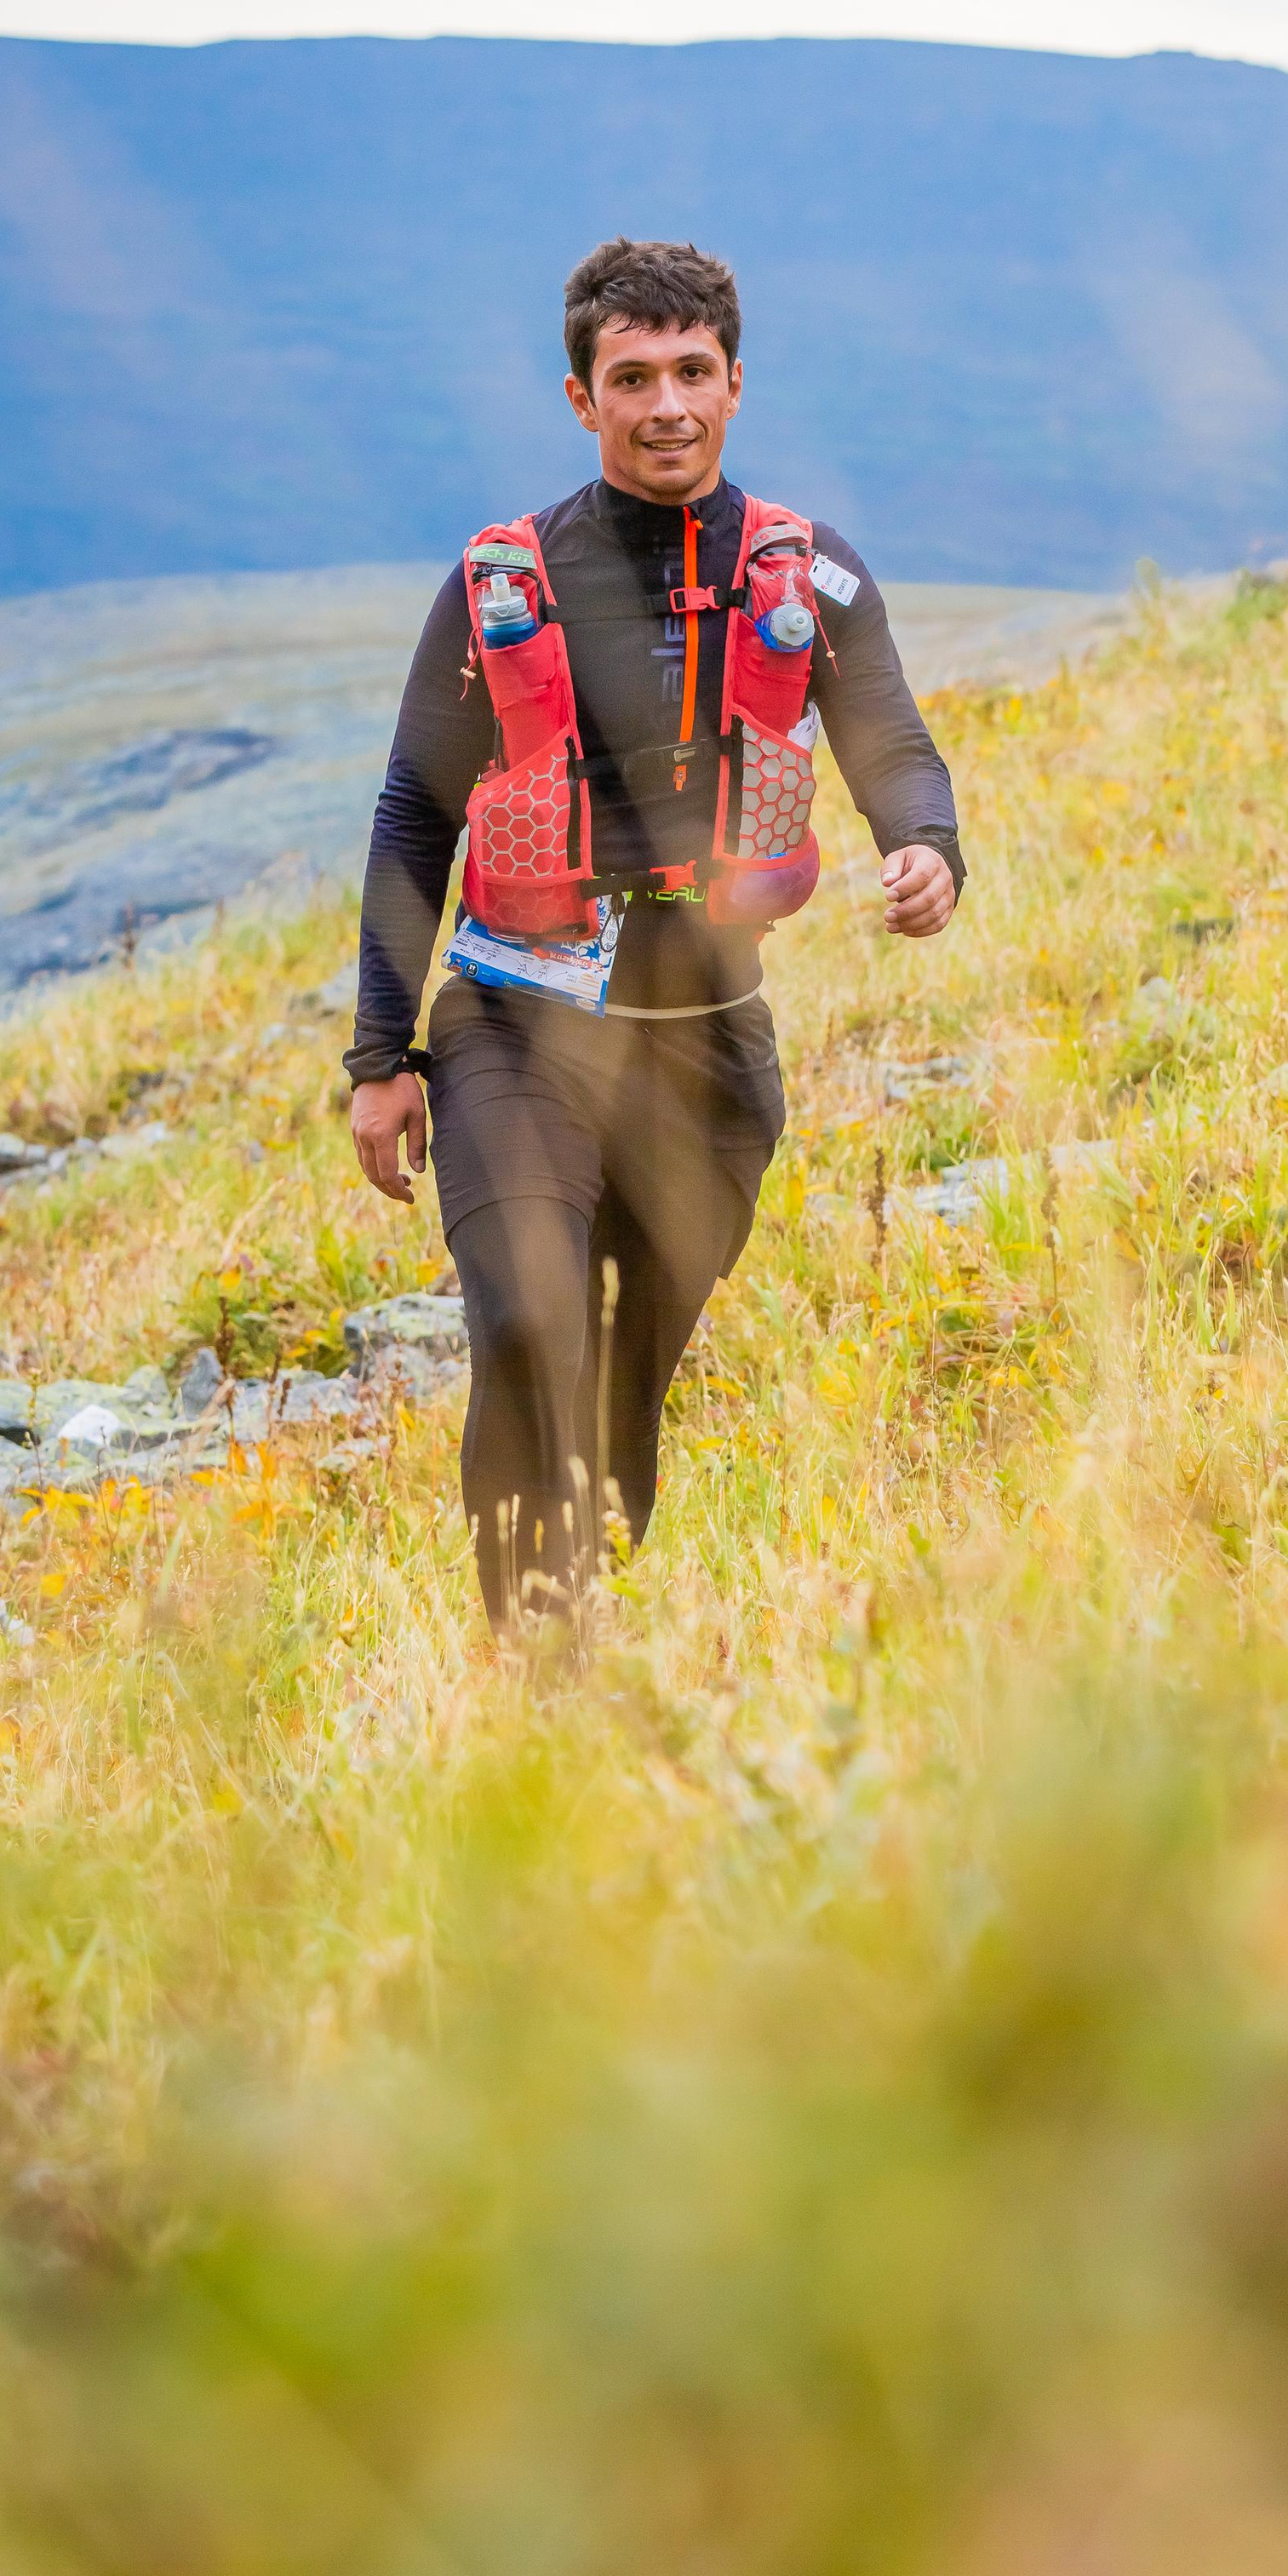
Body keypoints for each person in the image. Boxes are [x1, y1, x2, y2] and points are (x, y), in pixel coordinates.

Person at [345, 237, 962, 1623]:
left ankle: (598, 1582)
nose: (667, 403)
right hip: (515, 1027)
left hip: (704, 1052)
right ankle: (527, 1660)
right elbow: (412, 812)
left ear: (736, 383)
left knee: (627, 1368)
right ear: (583, 399)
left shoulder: (810, 575)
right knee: (526, 1321)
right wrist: (381, 1053)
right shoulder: (504, 580)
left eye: (693, 372)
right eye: (633, 378)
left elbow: (894, 747)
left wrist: (926, 848)